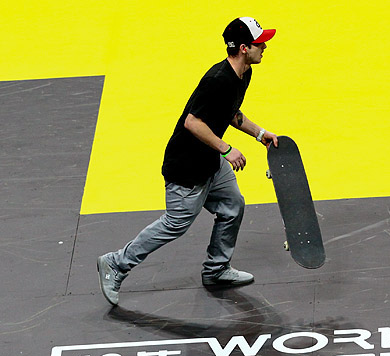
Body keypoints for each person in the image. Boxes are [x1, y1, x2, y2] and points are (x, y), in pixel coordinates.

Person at [97, 17, 279, 306]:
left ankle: (216, 270)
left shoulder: (243, 74)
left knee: (232, 206)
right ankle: (116, 263)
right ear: (244, 48)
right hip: (187, 166)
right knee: (175, 224)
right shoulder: (217, 80)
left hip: (209, 161)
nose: (265, 46)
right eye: (260, 43)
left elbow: (230, 112)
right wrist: (226, 149)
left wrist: (260, 134)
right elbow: (192, 122)